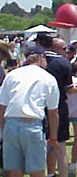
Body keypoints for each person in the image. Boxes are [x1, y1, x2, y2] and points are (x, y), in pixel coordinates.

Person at [0, 46, 60, 177]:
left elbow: (2, 106)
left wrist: (3, 129)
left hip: (10, 124)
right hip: (32, 125)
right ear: (41, 58)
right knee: (36, 171)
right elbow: (53, 113)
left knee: (13, 171)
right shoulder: (48, 78)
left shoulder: (12, 75)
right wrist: (53, 136)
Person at [42, 36, 75, 177]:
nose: (66, 51)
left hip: (40, 106)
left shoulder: (39, 61)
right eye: (64, 49)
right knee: (60, 145)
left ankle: (49, 173)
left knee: (42, 145)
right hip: (58, 106)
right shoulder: (63, 63)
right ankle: (62, 174)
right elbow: (69, 88)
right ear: (55, 48)